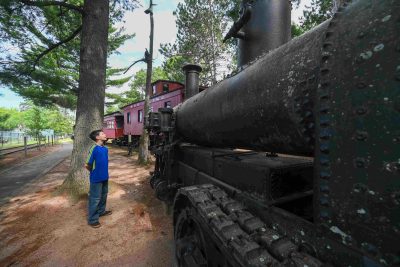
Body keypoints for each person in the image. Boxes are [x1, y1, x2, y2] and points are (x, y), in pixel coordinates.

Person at [85, 130, 112, 228]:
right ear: (97, 137)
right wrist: (94, 172)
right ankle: (92, 219)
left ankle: (101, 211)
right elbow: (87, 164)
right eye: (102, 134)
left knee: (104, 195)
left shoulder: (105, 149)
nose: (105, 134)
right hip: (96, 178)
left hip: (105, 177)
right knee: (95, 199)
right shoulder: (94, 148)